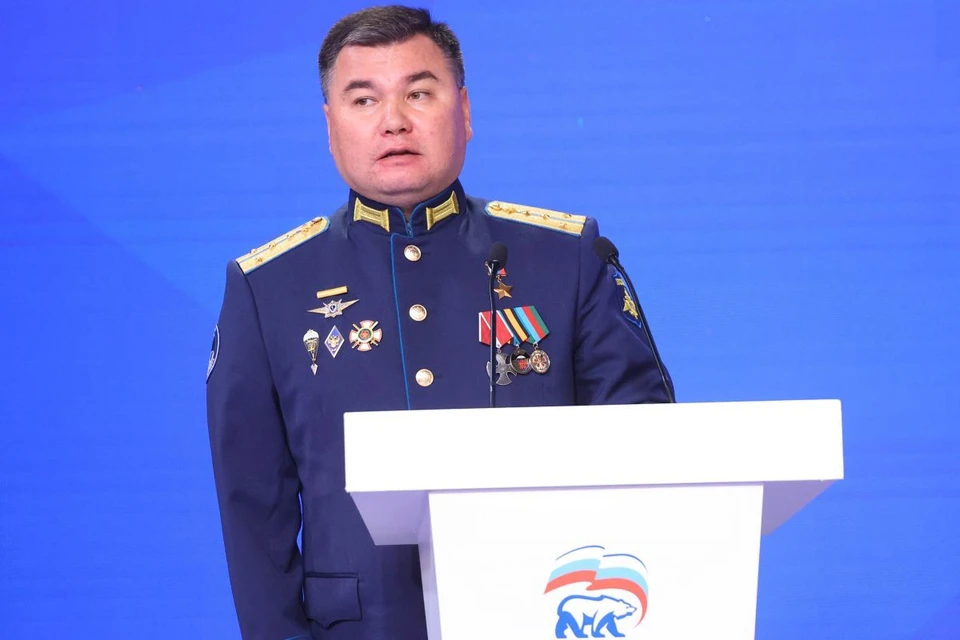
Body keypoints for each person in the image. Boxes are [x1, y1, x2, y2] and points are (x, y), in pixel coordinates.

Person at [205, 5, 673, 639]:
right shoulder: (268, 287)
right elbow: (252, 510)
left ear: (466, 111)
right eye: (364, 100)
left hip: (543, 615)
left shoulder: (567, 257)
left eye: (418, 93)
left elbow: (647, 455)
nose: (393, 121)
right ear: (330, 125)